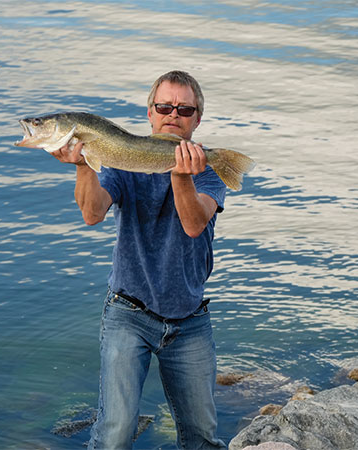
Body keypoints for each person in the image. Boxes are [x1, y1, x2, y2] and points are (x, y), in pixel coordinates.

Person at [50, 70, 227, 450]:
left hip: (190, 321)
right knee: (114, 434)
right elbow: (92, 213)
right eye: (164, 106)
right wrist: (84, 164)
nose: (172, 115)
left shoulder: (209, 172)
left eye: (184, 109)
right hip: (128, 315)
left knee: (201, 438)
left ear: (197, 119)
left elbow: (194, 223)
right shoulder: (123, 161)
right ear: (150, 113)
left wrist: (180, 174)